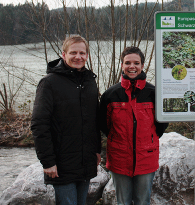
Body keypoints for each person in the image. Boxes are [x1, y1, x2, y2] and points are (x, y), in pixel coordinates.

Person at [31, 35, 101, 205]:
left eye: (82, 53)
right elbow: (39, 124)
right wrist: (48, 162)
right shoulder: (49, 83)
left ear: (87, 55)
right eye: (73, 52)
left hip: (85, 161)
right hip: (61, 164)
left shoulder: (89, 81)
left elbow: (94, 121)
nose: (78, 57)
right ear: (63, 54)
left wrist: (97, 150)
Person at [99, 46, 168, 205]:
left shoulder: (154, 92)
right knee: (122, 202)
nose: (132, 66)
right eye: (128, 62)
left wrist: (149, 139)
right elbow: (104, 125)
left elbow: (161, 124)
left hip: (146, 158)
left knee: (142, 201)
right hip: (119, 158)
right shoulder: (110, 94)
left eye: (136, 63)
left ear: (142, 65)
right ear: (122, 65)